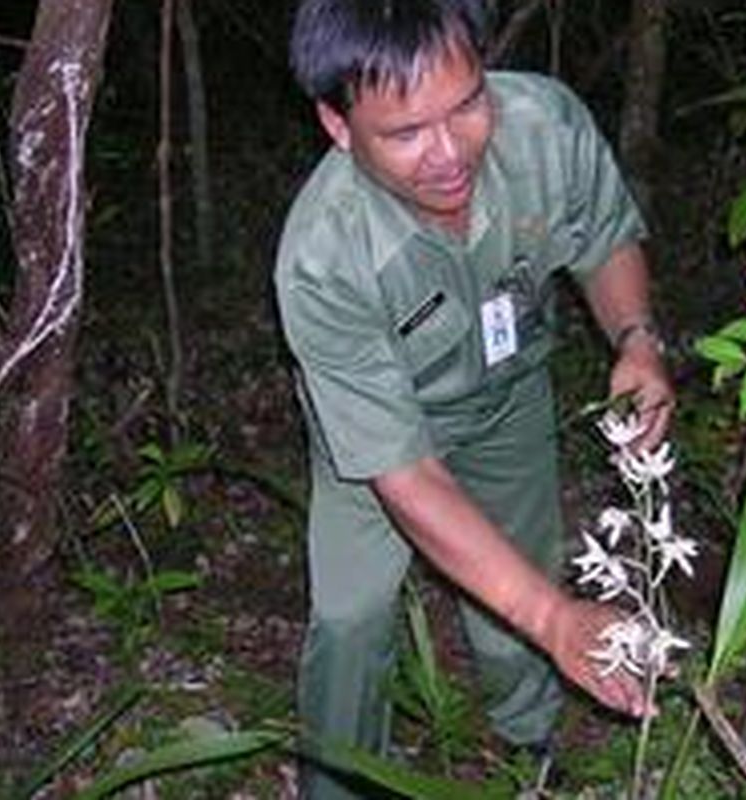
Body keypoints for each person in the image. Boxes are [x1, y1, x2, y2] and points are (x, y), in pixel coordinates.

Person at [275, 1, 674, 796]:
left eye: (467, 105)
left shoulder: (542, 124)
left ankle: (529, 748)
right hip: (379, 438)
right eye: (405, 133)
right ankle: (340, 785)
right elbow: (407, 475)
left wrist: (635, 338)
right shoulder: (322, 257)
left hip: (509, 389)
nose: (449, 152)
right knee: (351, 620)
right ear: (338, 124)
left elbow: (603, 238)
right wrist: (559, 618)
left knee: (520, 579)